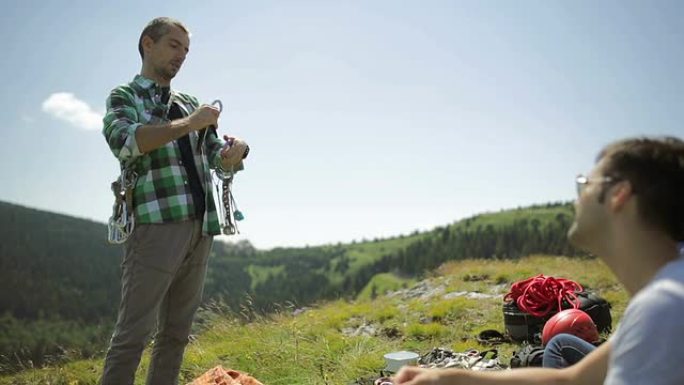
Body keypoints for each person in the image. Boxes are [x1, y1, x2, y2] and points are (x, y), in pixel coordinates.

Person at [394, 136, 684, 385]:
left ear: (619, 195)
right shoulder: (664, 294)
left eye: (584, 185)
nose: (576, 200)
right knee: (559, 345)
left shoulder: (663, 308)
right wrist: (453, 379)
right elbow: (572, 379)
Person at [101, 17, 248, 385]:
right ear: (147, 44)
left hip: (201, 226)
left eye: (186, 50)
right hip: (155, 228)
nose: (181, 55)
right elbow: (127, 141)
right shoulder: (125, 96)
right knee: (132, 335)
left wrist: (236, 152)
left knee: (176, 334)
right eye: (173, 45)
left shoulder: (190, 103)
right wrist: (189, 124)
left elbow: (216, 156)